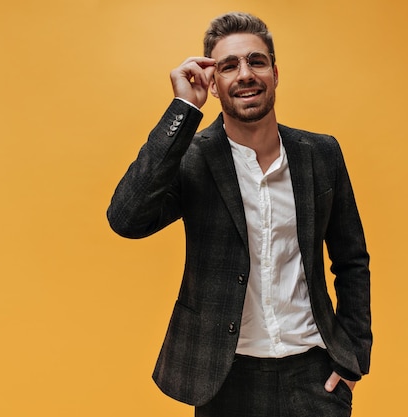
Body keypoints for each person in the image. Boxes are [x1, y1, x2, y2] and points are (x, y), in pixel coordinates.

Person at [107, 11, 372, 417]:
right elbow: (126, 217)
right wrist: (182, 108)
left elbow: (352, 260)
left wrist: (353, 355)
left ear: (275, 73)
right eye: (229, 66)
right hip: (223, 376)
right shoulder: (193, 159)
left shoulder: (320, 154)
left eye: (256, 61)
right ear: (213, 84)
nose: (245, 74)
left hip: (313, 375)